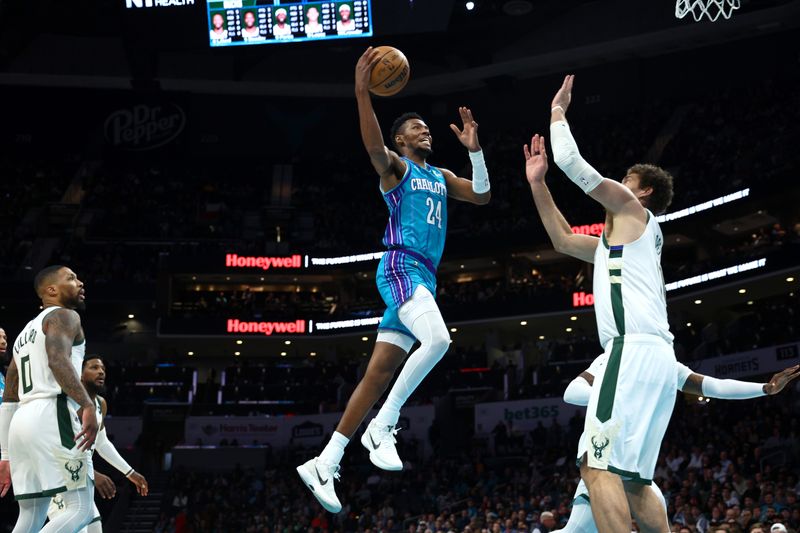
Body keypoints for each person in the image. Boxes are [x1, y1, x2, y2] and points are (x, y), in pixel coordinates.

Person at [296, 46, 492, 513]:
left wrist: (476, 151)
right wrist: (362, 92)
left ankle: (325, 461)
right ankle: (383, 425)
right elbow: (370, 147)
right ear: (400, 141)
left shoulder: (442, 175)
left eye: (425, 126)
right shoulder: (398, 170)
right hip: (401, 267)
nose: (424, 129)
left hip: (424, 276)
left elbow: (482, 196)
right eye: (415, 128)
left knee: (378, 373)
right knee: (439, 339)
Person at [524, 74, 677, 533]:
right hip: (657, 357)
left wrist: (557, 111)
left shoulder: (633, 212)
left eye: (628, 180)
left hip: (630, 353)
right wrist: (537, 183)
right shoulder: (620, 245)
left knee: (595, 465)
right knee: (633, 480)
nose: (620, 184)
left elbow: (573, 162)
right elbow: (564, 239)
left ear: (643, 192)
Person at [555, 355, 800, 532]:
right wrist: (615, 401)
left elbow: (713, 385)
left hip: (636, 466)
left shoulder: (667, 365)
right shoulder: (613, 357)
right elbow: (571, 391)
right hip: (603, 454)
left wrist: (765, 389)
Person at [0, 265, 99, 532]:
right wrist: (88, 404)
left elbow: (9, 396)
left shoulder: (22, 335)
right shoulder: (65, 316)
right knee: (80, 508)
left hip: (21, 422)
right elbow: (58, 360)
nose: (80, 283)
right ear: (51, 290)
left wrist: (6, 453)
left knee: (31, 515)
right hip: (52, 413)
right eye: (71, 278)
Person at [47, 354, 150, 532]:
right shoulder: (67, 402)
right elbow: (55, 449)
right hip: (57, 480)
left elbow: (102, 444)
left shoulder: (100, 404)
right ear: (79, 373)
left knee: (95, 529)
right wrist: (93, 473)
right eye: (94, 368)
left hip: (79, 480)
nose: (101, 372)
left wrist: (130, 472)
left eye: (103, 369)